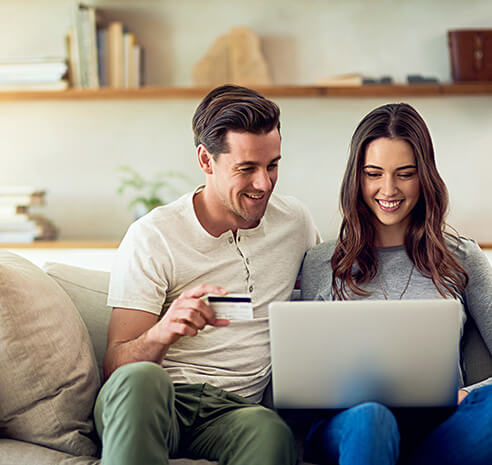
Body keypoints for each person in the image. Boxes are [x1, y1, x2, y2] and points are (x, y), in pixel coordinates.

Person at [94, 84, 320, 465]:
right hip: (156, 400)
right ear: (205, 159)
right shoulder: (154, 235)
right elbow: (116, 366)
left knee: (270, 430)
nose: (263, 184)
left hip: (232, 413)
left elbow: (330, 290)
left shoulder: (294, 222)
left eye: (272, 165)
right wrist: (163, 332)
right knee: (141, 380)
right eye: (246, 169)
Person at [300, 103, 492, 465]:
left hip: (439, 426)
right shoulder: (321, 263)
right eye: (373, 173)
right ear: (356, 177)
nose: (388, 189)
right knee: (373, 418)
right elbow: (310, 377)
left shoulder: (462, 257)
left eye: (405, 173)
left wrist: (466, 393)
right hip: (353, 426)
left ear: (425, 177)